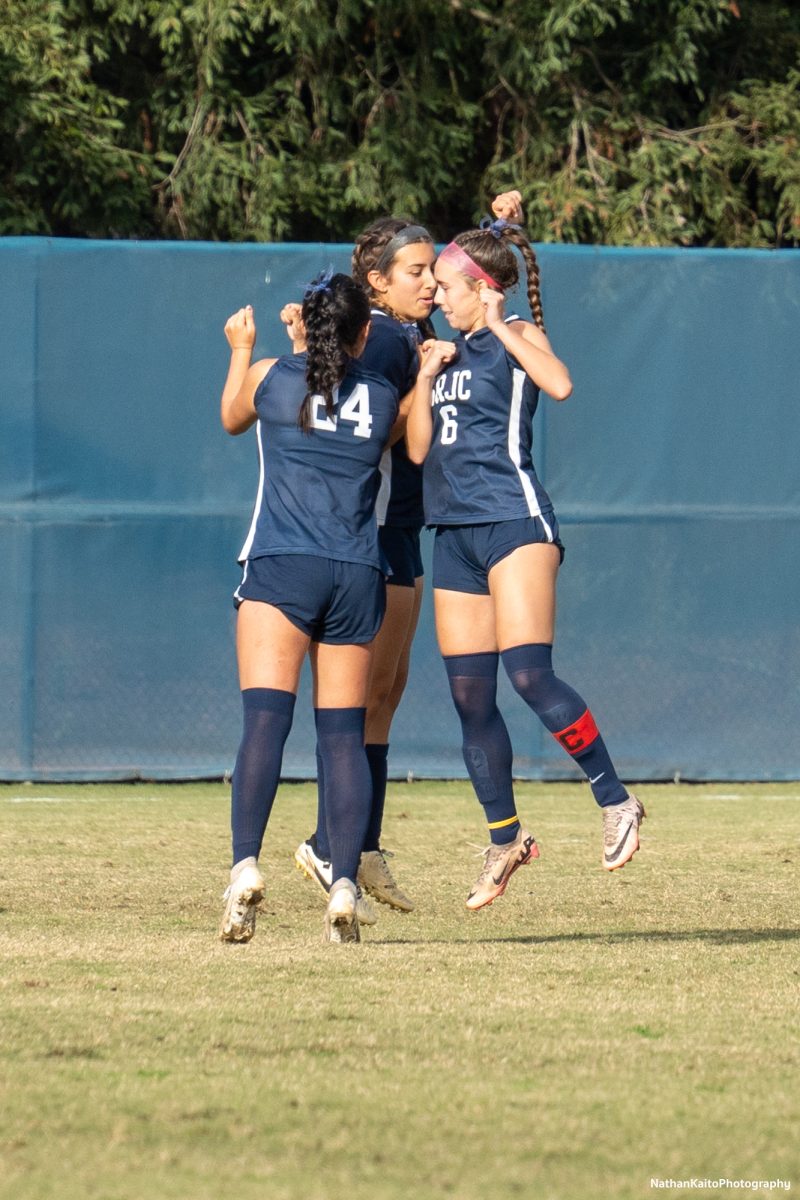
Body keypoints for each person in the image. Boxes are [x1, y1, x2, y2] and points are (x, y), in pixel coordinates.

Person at [294, 194, 525, 915]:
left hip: (399, 531)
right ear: (376, 280)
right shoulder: (393, 341)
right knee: (366, 702)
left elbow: (477, 278)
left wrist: (499, 229)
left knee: (382, 701)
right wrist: (414, 392)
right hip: (377, 533)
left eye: (433, 271)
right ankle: (333, 845)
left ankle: (358, 847)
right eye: (416, 271)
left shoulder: (405, 333)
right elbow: (379, 427)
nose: (429, 282)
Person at [406, 218, 644, 911]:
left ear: (483, 290)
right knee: (469, 697)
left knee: (530, 674)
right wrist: (425, 375)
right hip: (453, 535)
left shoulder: (518, 339)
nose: (437, 295)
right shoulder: (443, 356)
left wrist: (503, 325)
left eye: (448, 286)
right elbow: (419, 452)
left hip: (515, 523)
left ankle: (616, 799)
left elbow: (560, 385)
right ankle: (506, 838)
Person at [218, 272, 399, 944]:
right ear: (363, 331)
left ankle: (244, 870)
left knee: (265, 722)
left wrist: (244, 346)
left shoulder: (270, 374)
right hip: (355, 571)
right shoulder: (384, 397)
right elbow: (338, 392)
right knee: (342, 736)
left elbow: (234, 415)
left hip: (282, 565)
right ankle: (344, 882)